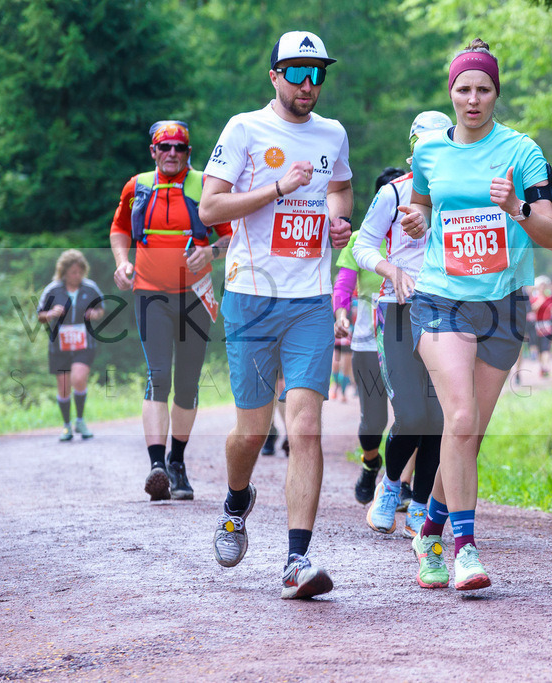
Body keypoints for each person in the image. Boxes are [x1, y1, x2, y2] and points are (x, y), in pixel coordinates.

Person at [399, 39, 552, 590]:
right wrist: (417, 221)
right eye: (463, 89)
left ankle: (429, 528)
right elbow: (421, 203)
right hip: (442, 298)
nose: (473, 99)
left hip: (504, 304)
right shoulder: (428, 153)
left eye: (483, 89)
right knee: (461, 419)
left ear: (496, 93)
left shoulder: (522, 153)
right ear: (451, 93)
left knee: (470, 434)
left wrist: (514, 207)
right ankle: (462, 547)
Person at [199, 30, 353, 599]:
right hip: (251, 298)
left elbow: (341, 189)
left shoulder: (332, 133)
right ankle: (237, 502)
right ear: (275, 77)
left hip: (310, 300)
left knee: (306, 428)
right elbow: (210, 206)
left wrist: (338, 221)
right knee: (251, 430)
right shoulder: (244, 129)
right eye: (297, 73)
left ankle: (296, 561)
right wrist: (275, 188)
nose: (309, 85)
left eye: (318, 74)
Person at [110, 120, 233, 501]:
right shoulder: (138, 186)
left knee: (187, 384)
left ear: (189, 151)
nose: (172, 153)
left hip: (195, 297)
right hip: (151, 294)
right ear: (153, 150)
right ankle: (157, 466)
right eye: (165, 147)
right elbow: (119, 229)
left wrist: (210, 252)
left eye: (180, 147)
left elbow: (232, 235)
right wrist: (121, 262)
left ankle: (177, 462)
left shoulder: (204, 186)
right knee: (158, 376)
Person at [351, 111, 452, 543]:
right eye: (422, 150)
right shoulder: (394, 193)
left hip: (449, 313)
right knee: (411, 413)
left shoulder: (460, 195)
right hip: (397, 311)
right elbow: (362, 244)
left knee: (440, 416)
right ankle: (390, 488)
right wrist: (389, 269)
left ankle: (424, 502)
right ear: (413, 150)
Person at [332, 169, 400, 512]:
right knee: (373, 420)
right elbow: (344, 284)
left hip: (411, 339)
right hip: (368, 340)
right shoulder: (361, 239)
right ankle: (371, 462)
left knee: (411, 415)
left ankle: (398, 482)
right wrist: (341, 315)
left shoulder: (421, 235)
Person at [37, 250, 105, 442]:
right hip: (59, 345)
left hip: (84, 343)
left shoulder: (90, 288)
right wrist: (50, 314)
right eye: (73, 272)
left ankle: (81, 420)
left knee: (79, 378)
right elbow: (40, 315)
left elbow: (101, 309)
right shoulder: (52, 290)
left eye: (79, 272)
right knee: (64, 386)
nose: (76, 276)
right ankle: (67, 425)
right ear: (64, 272)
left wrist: (95, 314)